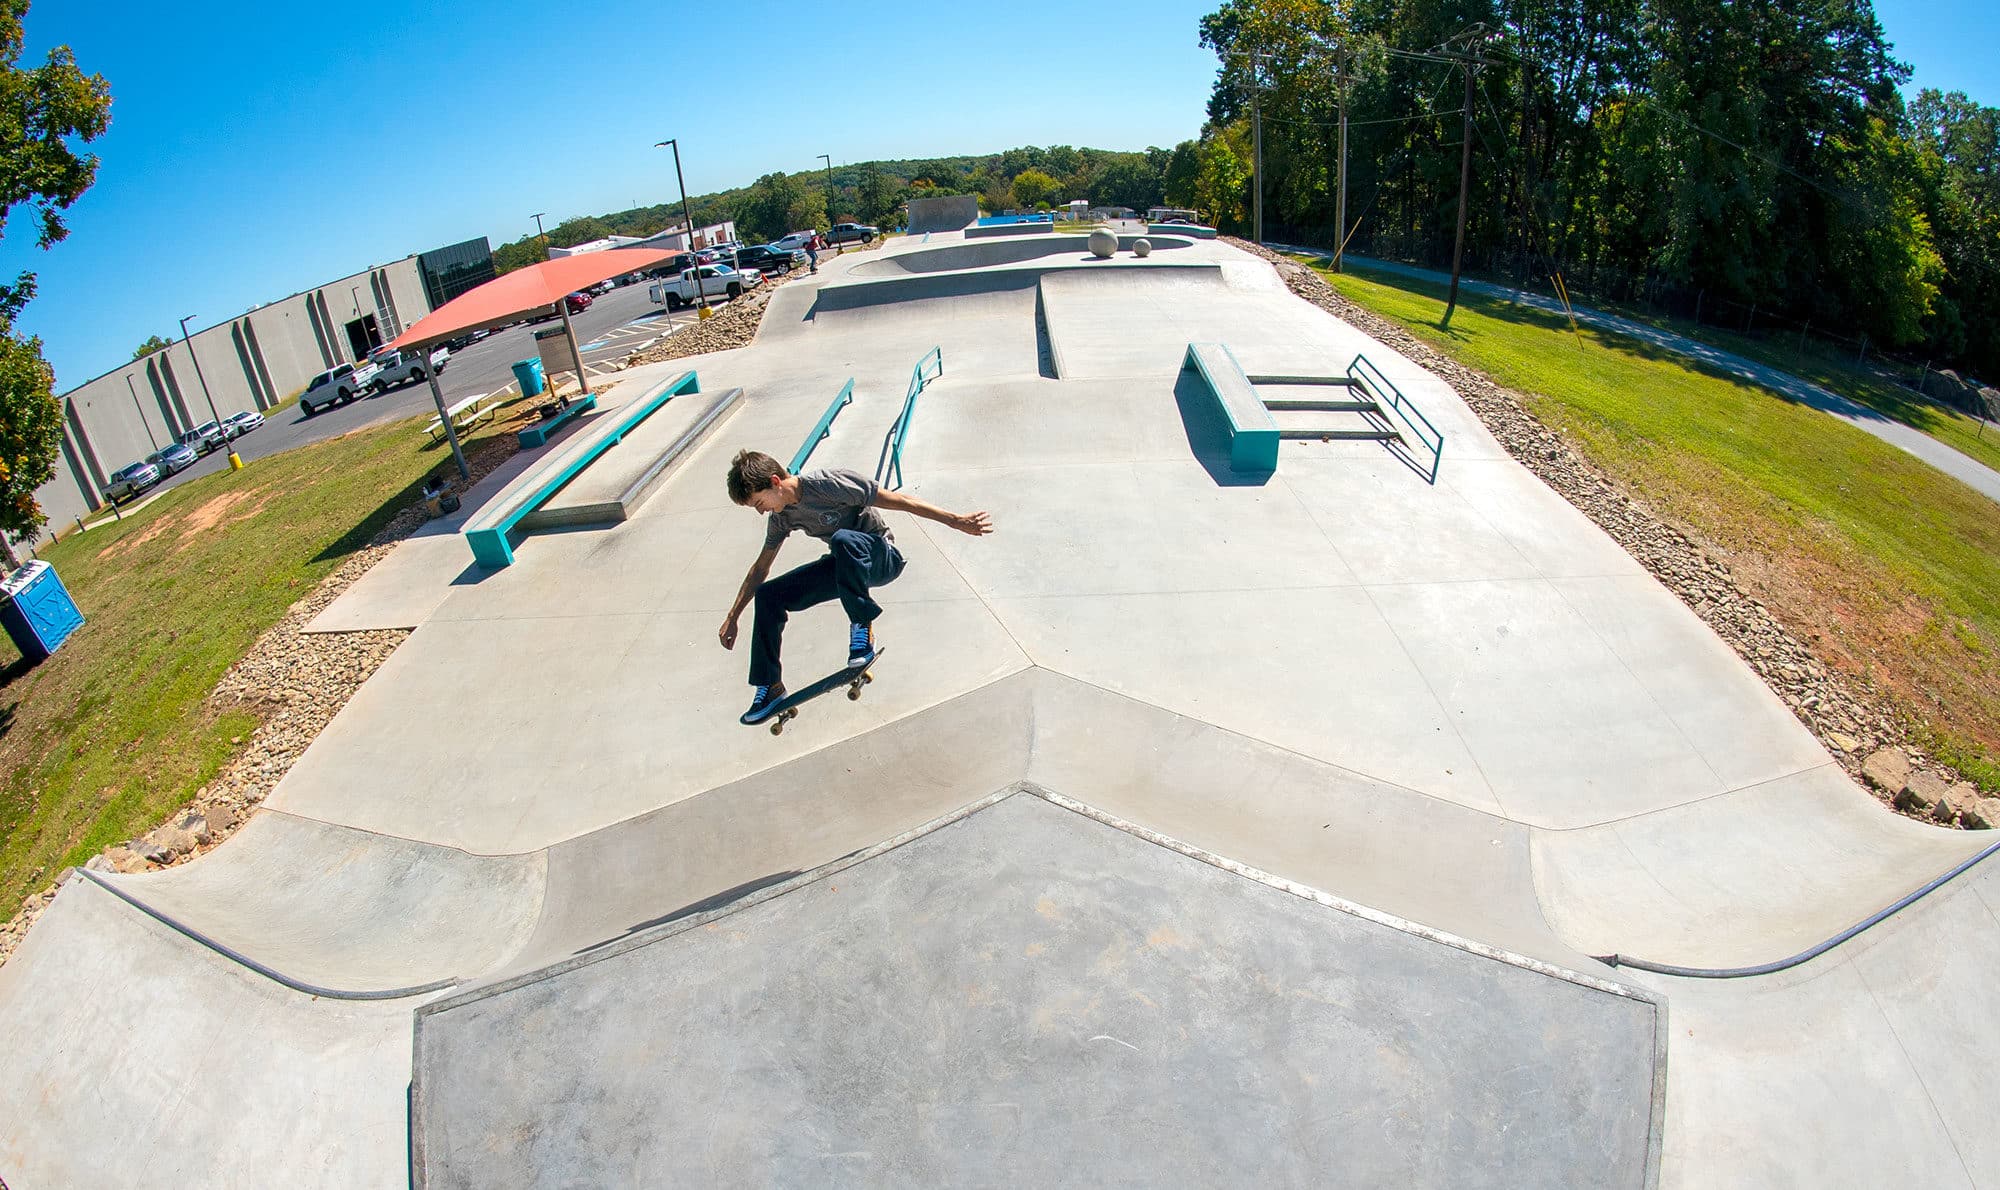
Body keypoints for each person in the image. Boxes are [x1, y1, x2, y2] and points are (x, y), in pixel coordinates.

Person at [719, 449, 993, 720]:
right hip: (846, 567)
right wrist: (733, 617)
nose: (761, 512)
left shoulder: (830, 484)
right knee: (768, 595)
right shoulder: (782, 517)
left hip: (882, 558)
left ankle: (862, 627)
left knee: (842, 540)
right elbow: (760, 568)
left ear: (775, 483)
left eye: (758, 503)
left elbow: (900, 500)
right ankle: (769, 686)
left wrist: (955, 520)